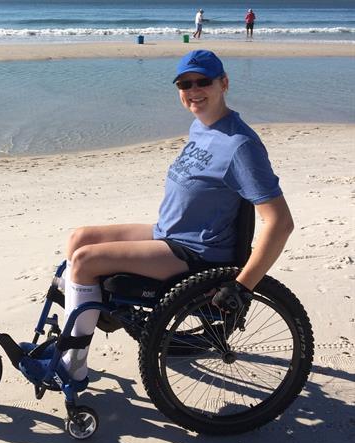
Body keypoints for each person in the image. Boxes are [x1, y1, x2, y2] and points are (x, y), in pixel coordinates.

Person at [24, 49, 294, 390]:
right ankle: (92, 315)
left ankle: (72, 365)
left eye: (202, 81)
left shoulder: (241, 146)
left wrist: (242, 286)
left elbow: (280, 223)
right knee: (80, 238)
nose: (193, 90)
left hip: (196, 253)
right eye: (185, 84)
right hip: (170, 233)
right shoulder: (202, 126)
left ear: (224, 83)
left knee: (84, 261)